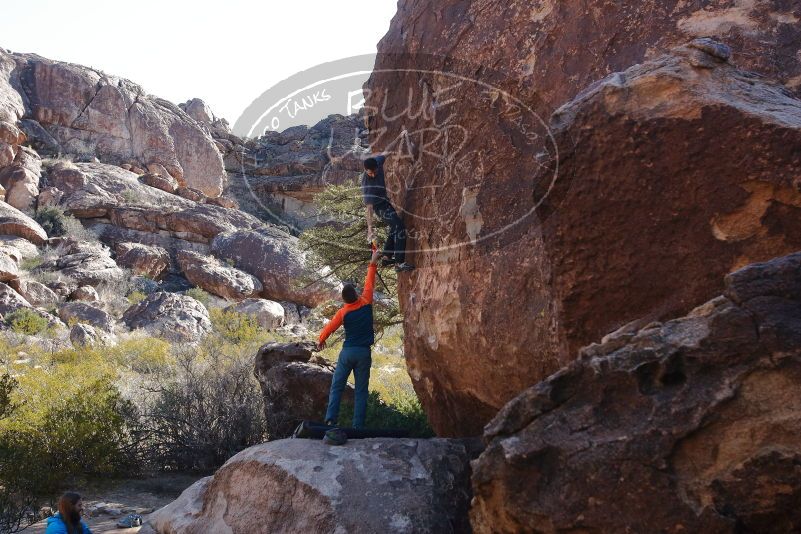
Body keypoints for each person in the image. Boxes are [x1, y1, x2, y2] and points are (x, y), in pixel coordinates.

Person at [317, 246, 382, 428]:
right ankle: (358, 427)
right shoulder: (367, 300)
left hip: (347, 353)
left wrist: (321, 340)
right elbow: (370, 278)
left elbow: (329, 327)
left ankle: (331, 419)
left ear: (345, 300)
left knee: (337, 386)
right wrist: (373, 255)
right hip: (363, 353)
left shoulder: (343, 312)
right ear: (356, 294)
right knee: (361, 391)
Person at [362, 155, 414, 272]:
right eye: (370, 173)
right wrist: (370, 228)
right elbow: (369, 208)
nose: (373, 175)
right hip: (379, 208)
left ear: (377, 166)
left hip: (385, 202)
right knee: (400, 227)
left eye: (375, 172)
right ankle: (399, 263)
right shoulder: (367, 186)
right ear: (366, 170)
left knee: (394, 226)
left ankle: (387, 256)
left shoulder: (378, 162)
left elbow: (386, 153)